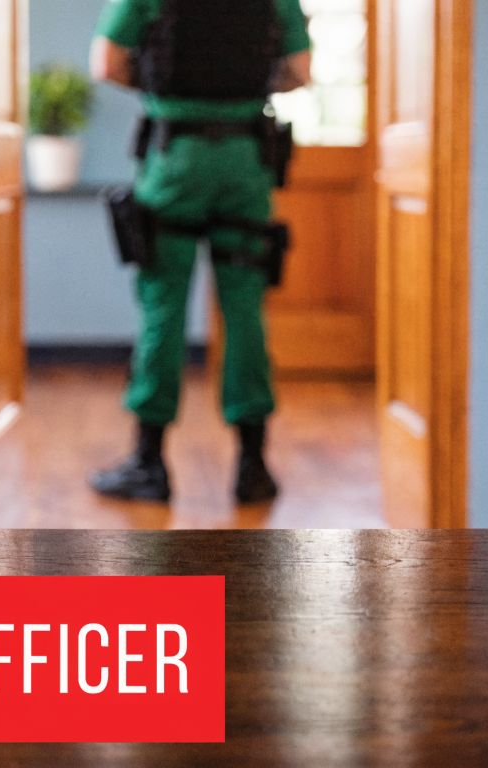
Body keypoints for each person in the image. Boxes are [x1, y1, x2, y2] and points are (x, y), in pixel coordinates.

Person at [87, 0, 312, 504]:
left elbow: (106, 63)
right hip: (245, 160)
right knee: (245, 310)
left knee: (162, 306)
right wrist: (242, 89)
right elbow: (300, 69)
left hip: (175, 157)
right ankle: (253, 466)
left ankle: (149, 463)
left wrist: (160, 85)